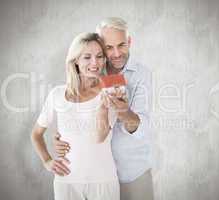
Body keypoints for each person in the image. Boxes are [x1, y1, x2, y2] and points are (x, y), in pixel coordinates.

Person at [54, 17, 154, 200]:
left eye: (122, 45)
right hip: (95, 174)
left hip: (131, 172)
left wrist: (124, 112)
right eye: (108, 48)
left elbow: (143, 128)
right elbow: (73, 111)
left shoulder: (141, 74)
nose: (116, 54)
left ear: (129, 42)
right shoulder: (92, 68)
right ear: (100, 46)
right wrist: (62, 137)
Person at [31, 32, 120, 200]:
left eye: (100, 57)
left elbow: (100, 136)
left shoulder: (112, 88)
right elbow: (36, 134)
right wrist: (47, 161)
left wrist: (103, 104)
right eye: (87, 57)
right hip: (67, 181)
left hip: (103, 179)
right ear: (75, 61)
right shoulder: (57, 94)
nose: (95, 63)